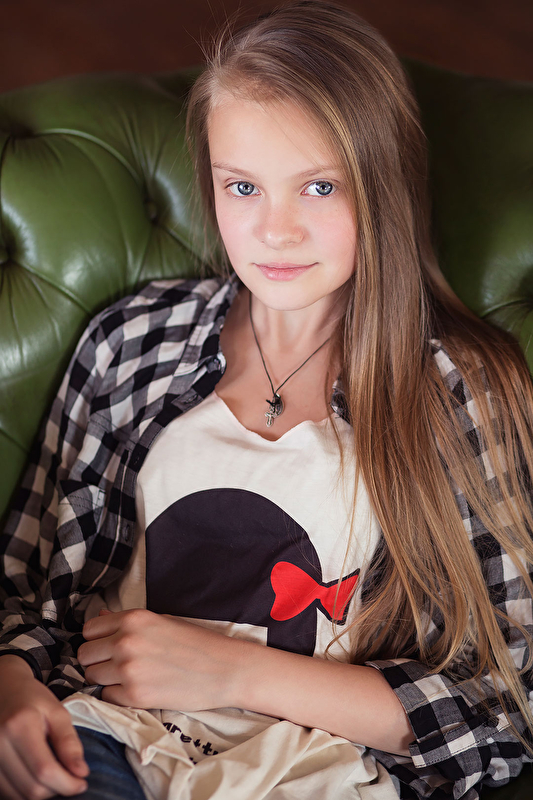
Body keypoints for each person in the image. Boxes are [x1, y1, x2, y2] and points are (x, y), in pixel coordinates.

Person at [1, 1, 533, 798]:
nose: (275, 230)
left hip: (316, 774)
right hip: (107, 740)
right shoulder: (131, 341)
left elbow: (502, 705)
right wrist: (11, 685)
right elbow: (21, 586)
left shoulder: (457, 389)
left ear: (383, 187)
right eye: (243, 186)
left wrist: (233, 670)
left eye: (318, 186)